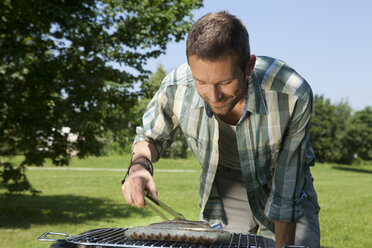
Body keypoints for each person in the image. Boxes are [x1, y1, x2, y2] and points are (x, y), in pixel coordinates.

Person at [121, 11, 320, 248]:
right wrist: (138, 167)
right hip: (226, 184)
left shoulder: (291, 94)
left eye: (225, 82)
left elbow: (286, 192)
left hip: (281, 176)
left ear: (249, 66)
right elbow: (149, 136)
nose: (213, 96)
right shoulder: (178, 86)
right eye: (201, 82)